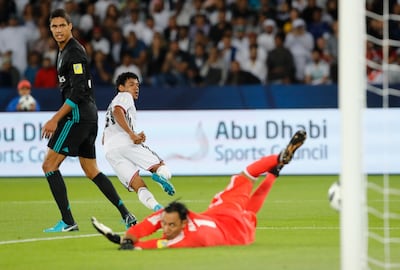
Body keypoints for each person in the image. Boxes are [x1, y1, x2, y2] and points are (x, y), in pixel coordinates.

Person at [92, 130, 307, 250]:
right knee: (246, 178)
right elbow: (159, 221)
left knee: (247, 194)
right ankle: (276, 162)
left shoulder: (193, 238)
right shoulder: (179, 218)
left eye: (170, 225)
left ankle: (277, 163)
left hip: (232, 231)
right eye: (167, 224)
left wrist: (130, 243)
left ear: (185, 223)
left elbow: (161, 243)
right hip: (226, 218)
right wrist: (130, 238)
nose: (165, 227)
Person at [40, 8, 136, 233]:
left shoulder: (73, 52)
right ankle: (126, 214)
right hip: (88, 115)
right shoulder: (64, 51)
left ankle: (68, 221)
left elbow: (78, 91)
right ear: (50, 29)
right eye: (54, 26)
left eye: (62, 25)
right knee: (91, 169)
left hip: (77, 115)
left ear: (70, 26)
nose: (58, 30)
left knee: (49, 165)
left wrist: (55, 118)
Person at [102, 72, 175, 213]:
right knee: (161, 167)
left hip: (110, 150)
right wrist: (131, 134)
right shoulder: (125, 96)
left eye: (137, 85)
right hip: (126, 143)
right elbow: (118, 112)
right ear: (121, 87)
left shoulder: (110, 107)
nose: (136, 88)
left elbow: (105, 136)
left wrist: (134, 133)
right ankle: (161, 177)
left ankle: (157, 208)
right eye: (131, 84)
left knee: (138, 185)